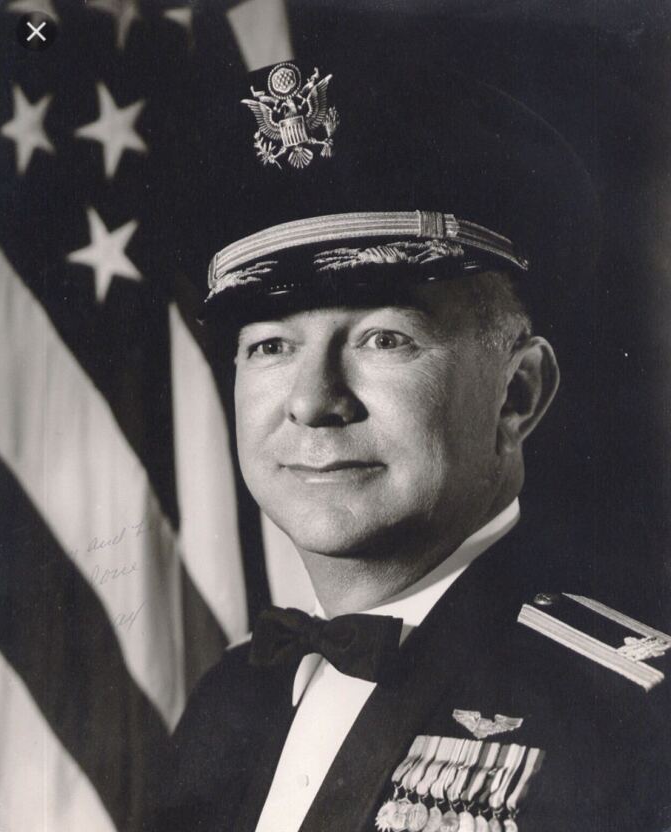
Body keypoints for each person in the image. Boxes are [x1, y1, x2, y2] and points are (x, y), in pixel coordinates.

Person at [156, 54, 671, 832]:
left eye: (384, 339)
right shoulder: (229, 704)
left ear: (518, 392)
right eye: (270, 346)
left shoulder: (634, 723)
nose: (313, 402)